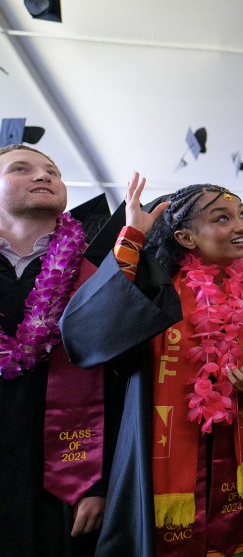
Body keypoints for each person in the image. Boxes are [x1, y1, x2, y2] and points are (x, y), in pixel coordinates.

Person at [61, 176, 243, 556]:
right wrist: (132, 236)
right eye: (221, 219)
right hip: (154, 471)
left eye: (241, 215)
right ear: (186, 238)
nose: (240, 227)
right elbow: (87, 334)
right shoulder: (154, 293)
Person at [0, 144, 112, 556]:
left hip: (61, 477)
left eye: (52, 170)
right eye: (21, 169)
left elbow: (118, 381)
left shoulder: (95, 275)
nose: (43, 176)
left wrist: (99, 484)